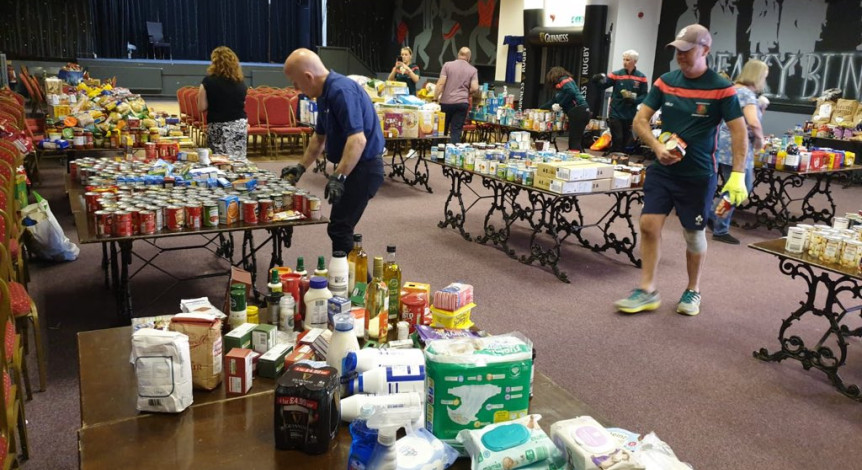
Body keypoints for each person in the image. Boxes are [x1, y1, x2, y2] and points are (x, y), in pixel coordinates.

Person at [614, 24, 749, 317]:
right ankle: (647, 289)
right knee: (649, 224)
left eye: (687, 51)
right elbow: (640, 121)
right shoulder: (665, 82)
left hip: (698, 175)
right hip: (663, 169)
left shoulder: (721, 88)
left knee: (694, 236)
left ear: (705, 50)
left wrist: (738, 175)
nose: (681, 57)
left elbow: (740, 133)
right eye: (678, 51)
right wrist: (656, 147)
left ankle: (693, 289)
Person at [280, 49, 385, 255]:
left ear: (308, 77)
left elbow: (357, 140)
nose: (295, 89)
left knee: (340, 229)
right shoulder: (323, 94)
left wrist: (339, 176)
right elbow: (319, 137)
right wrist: (301, 167)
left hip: (365, 169)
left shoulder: (341, 91)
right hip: (355, 166)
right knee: (339, 228)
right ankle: (348, 280)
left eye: (296, 82)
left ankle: (361, 284)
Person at [708, 59, 768, 245]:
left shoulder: (732, 89)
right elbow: (752, 122)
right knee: (739, 189)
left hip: (722, 144)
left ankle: (713, 216)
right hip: (739, 147)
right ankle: (719, 225)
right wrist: (760, 139)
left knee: (729, 186)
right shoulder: (748, 95)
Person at [593, 50, 648, 154]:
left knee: (626, 140)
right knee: (618, 137)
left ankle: (620, 160)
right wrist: (596, 80)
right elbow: (602, 86)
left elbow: (644, 95)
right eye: (624, 59)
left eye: (628, 60)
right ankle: (615, 157)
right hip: (616, 111)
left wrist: (635, 100)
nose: (625, 62)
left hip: (630, 113)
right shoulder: (616, 74)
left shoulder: (642, 77)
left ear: (635, 61)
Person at [198, 46, 248, 158]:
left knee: (219, 161)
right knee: (238, 160)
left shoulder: (208, 81)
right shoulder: (241, 82)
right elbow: (242, 103)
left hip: (218, 126)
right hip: (238, 125)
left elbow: (201, 107)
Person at [539, 66, 591, 152]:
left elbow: (571, 92)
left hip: (578, 110)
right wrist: (538, 109)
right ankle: (580, 158)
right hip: (582, 110)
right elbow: (551, 102)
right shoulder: (561, 92)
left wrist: (560, 105)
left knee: (574, 142)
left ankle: (575, 162)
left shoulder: (564, 80)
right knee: (577, 140)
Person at [435, 47, 479, 144]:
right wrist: (468, 92)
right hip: (462, 103)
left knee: (441, 130)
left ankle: (438, 154)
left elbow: (440, 84)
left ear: (458, 54)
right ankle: (453, 155)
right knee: (456, 131)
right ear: (469, 57)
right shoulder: (473, 70)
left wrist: (435, 98)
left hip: (446, 103)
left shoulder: (447, 65)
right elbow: (475, 87)